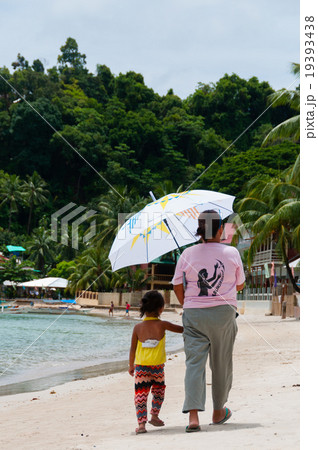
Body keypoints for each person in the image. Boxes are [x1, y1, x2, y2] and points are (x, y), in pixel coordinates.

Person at [172, 210, 245, 432]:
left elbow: (177, 284)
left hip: (194, 313)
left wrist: (188, 304)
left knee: (194, 363)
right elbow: (240, 284)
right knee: (221, 363)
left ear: (199, 229)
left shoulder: (187, 253)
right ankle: (218, 411)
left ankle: (193, 416)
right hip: (224, 312)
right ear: (221, 229)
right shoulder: (231, 252)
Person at [128, 290, 183, 434]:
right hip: (157, 367)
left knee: (140, 396)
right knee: (159, 392)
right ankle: (154, 415)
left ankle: (141, 425)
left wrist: (130, 365)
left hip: (141, 367)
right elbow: (182, 330)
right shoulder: (163, 325)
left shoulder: (137, 327)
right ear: (161, 308)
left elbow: (132, 349)